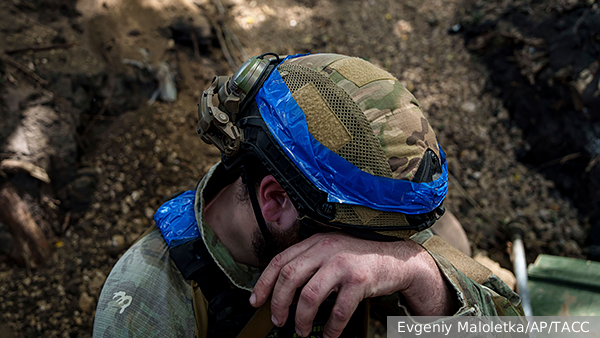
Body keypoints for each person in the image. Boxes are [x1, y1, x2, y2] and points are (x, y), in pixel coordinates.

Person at [93, 53, 523, 338]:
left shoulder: (368, 221)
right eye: (368, 239)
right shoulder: (149, 302)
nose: (376, 250)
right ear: (276, 201)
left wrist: (419, 275)